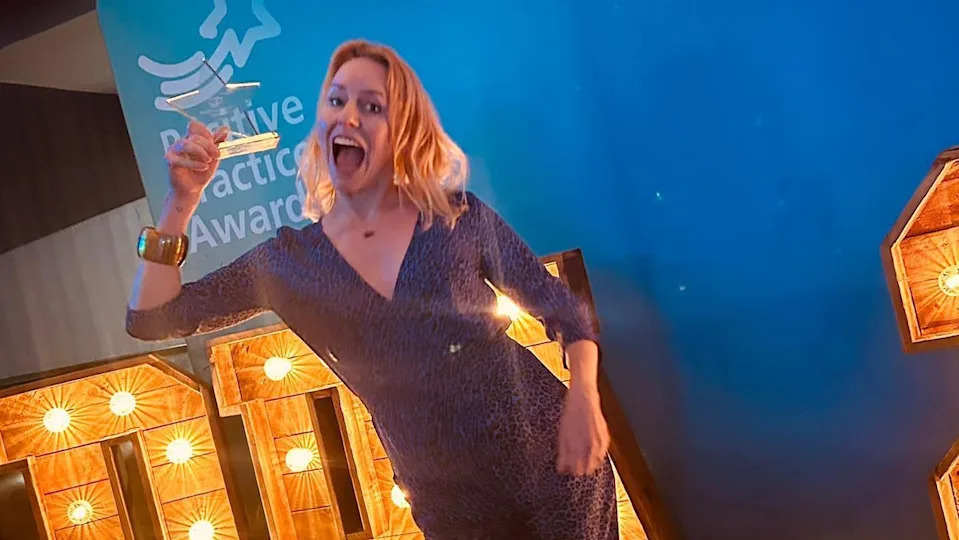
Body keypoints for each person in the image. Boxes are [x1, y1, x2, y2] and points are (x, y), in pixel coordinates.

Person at [127, 39, 617, 539]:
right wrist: (181, 203)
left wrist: (584, 398)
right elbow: (151, 317)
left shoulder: (452, 216)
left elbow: (562, 308)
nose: (350, 117)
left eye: (372, 105)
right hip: (449, 503)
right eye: (337, 101)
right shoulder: (289, 263)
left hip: (557, 459)